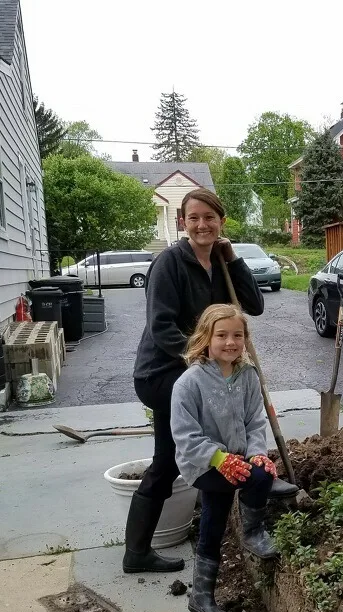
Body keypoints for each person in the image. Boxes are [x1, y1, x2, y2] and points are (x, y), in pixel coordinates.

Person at [125, 189, 265, 574]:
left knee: (189, 451)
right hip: (164, 373)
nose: (202, 224)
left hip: (198, 370)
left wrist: (233, 260)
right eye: (194, 218)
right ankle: (138, 551)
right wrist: (202, 357)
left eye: (210, 217)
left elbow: (253, 305)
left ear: (221, 221)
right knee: (170, 459)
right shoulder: (169, 263)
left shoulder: (220, 262)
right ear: (181, 223)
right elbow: (160, 327)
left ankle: (245, 484)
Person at [171, 304, 278, 612]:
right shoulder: (189, 383)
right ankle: (252, 531)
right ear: (206, 338)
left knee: (226, 508)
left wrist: (258, 451)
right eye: (221, 335)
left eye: (237, 335)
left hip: (237, 458)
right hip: (203, 464)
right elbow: (185, 436)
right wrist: (219, 458)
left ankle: (202, 594)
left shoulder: (247, 376)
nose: (230, 342)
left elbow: (255, 421)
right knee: (253, 483)